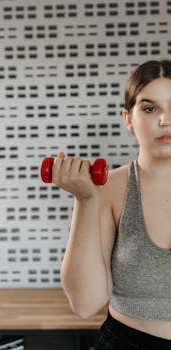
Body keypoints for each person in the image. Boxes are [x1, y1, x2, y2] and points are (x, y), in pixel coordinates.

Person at [51, 60, 171, 349]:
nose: (166, 120)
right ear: (128, 118)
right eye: (149, 108)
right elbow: (85, 303)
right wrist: (86, 199)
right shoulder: (108, 189)